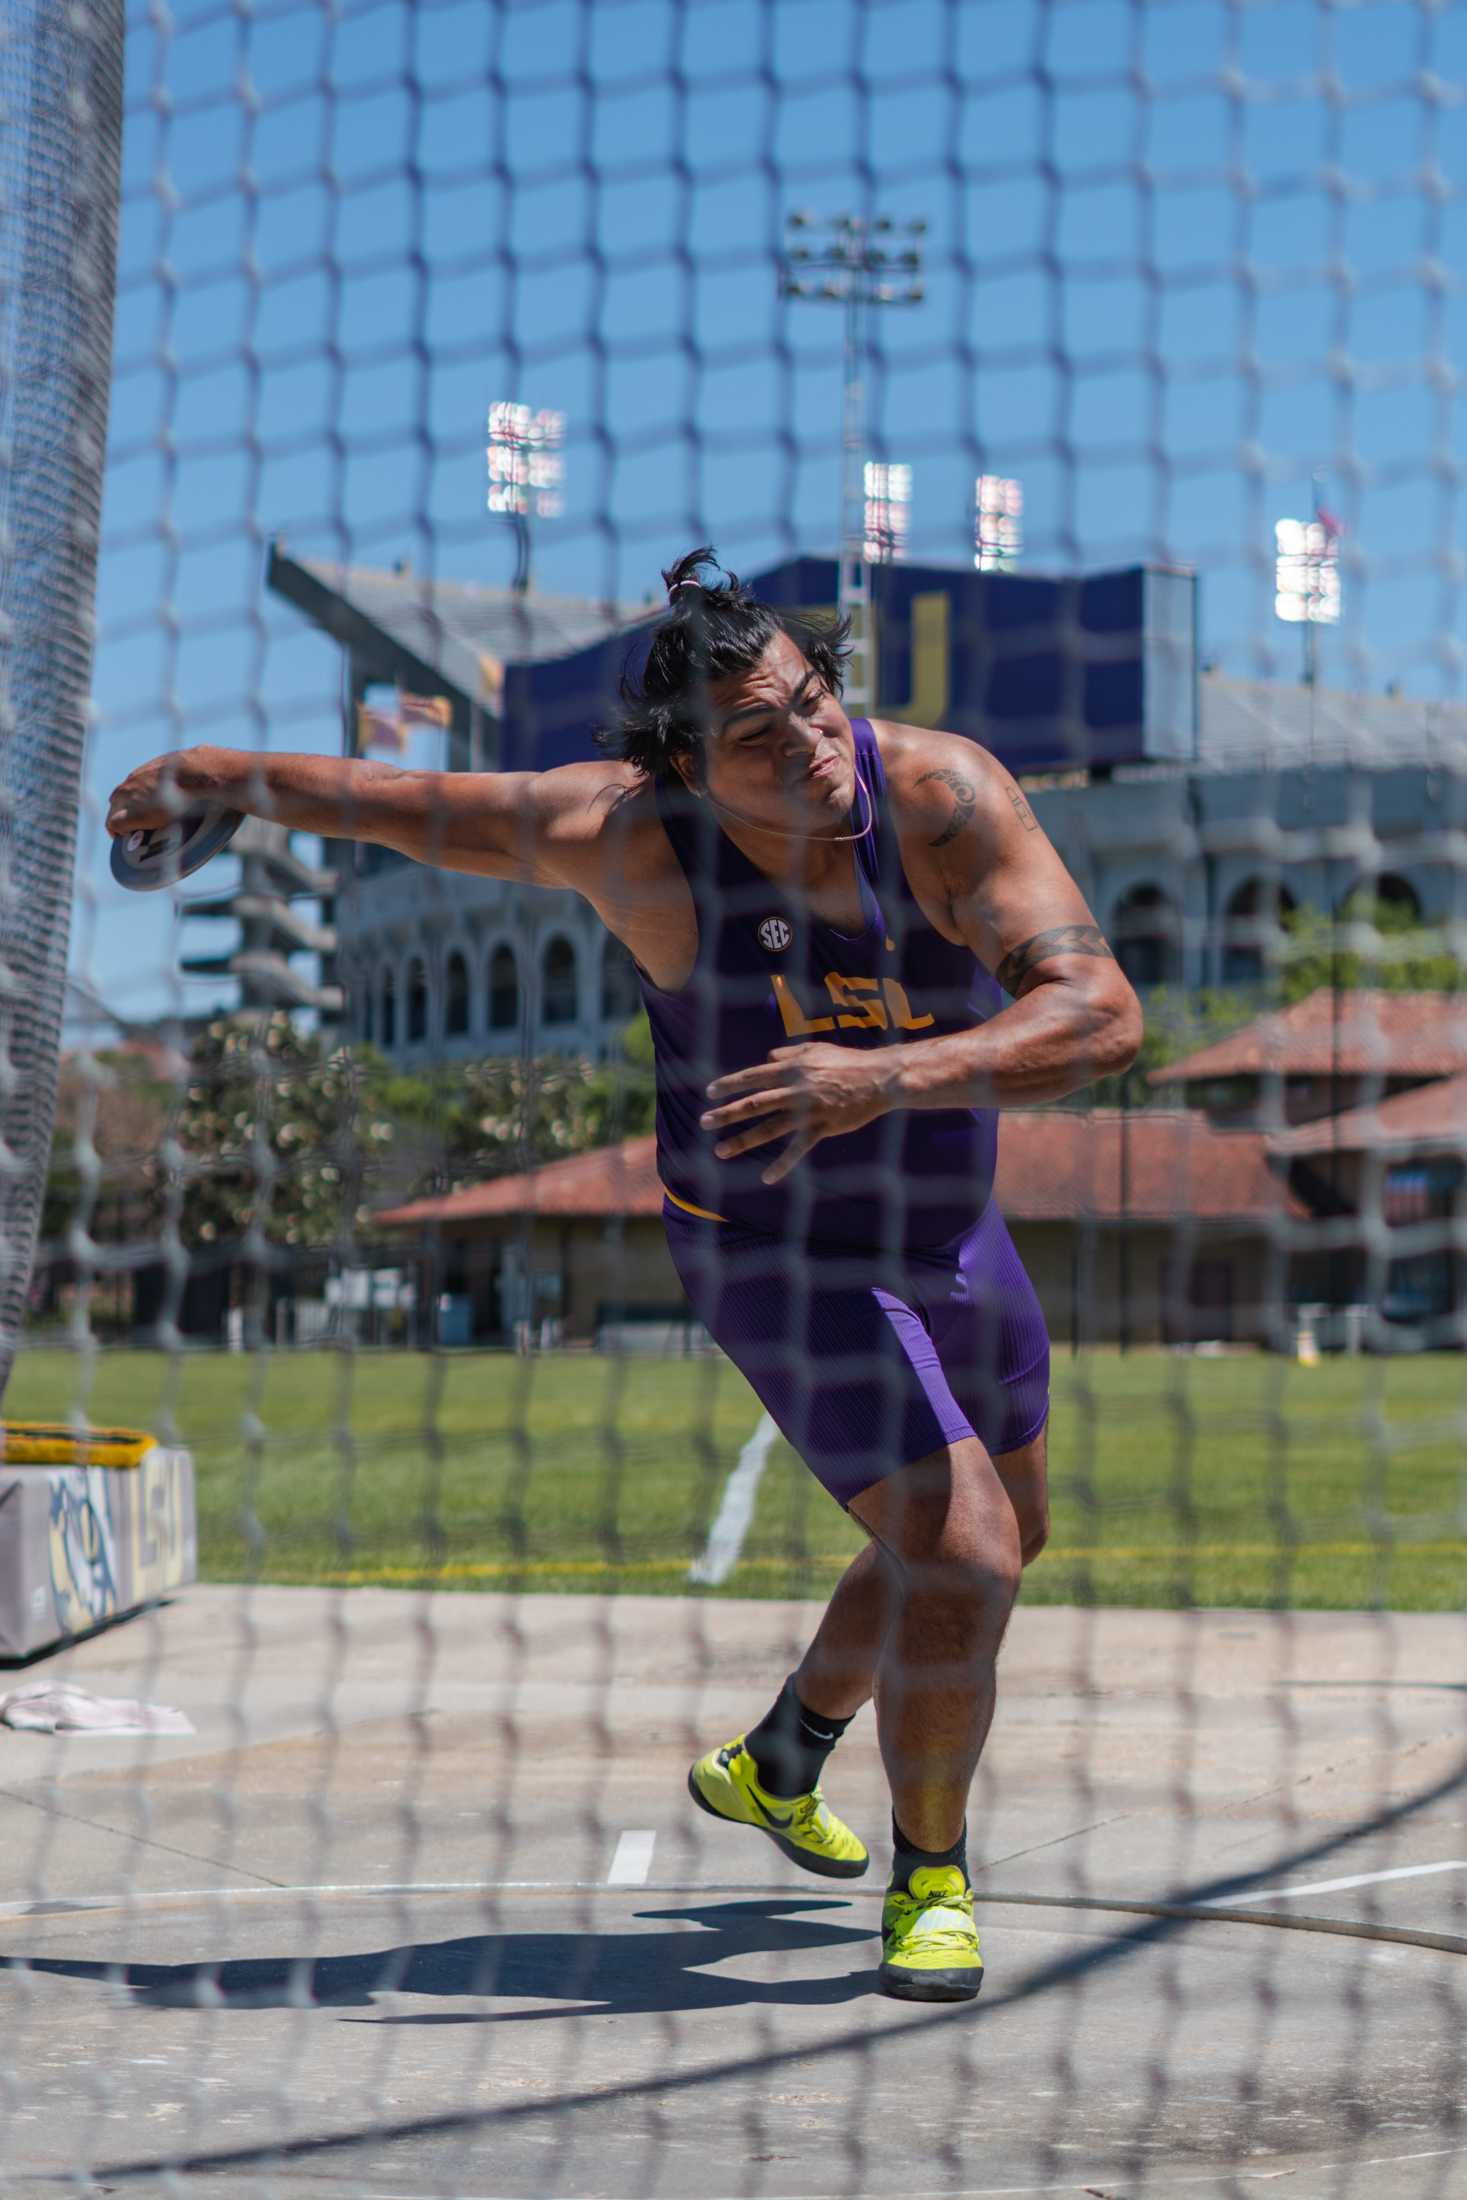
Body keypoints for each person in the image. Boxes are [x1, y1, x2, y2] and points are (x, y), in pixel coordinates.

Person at [107, 546, 1140, 2003]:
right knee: (962, 1554)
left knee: (1002, 1539)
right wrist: (212, 770)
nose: (814, 748)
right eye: (760, 739)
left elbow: (1101, 1018)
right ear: (685, 770)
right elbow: (407, 807)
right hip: (770, 1248)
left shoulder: (942, 799)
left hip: (950, 1231)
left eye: (817, 699)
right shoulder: (631, 839)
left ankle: (784, 1755)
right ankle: (933, 1879)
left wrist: (881, 1076)